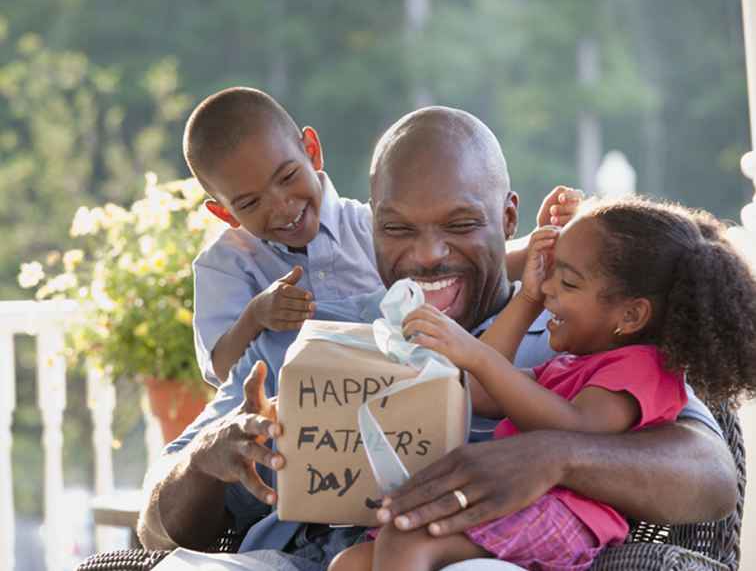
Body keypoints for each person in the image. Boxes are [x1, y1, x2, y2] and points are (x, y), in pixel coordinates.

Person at [137, 106, 737, 571]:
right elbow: (158, 528)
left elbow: (710, 477)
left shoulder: (579, 341)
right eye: (397, 227)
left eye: (459, 225)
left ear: (507, 220)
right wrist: (208, 457)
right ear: (369, 221)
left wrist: (553, 455)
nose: (427, 256)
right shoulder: (304, 339)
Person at [329, 197, 756, 571]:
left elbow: (576, 428)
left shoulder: (643, 369)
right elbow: (481, 392)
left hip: (566, 517)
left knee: (407, 538)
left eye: (567, 282)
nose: (550, 288)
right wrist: (527, 298)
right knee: (351, 563)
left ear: (630, 316)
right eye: (551, 275)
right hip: (530, 505)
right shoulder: (573, 366)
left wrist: (475, 353)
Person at [184, 87, 574, 388]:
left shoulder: (364, 225)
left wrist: (554, 242)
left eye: (287, 178)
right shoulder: (231, 267)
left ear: (313, 152)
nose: (282, 206)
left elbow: (471, 268)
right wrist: (256, 317)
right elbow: (221, 373)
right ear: (224, 213)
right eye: (251, 203)